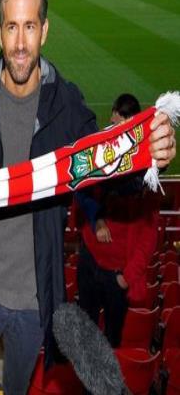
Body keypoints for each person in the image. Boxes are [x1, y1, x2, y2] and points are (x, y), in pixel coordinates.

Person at [0, 0, 176, 395]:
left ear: (44, 31)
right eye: (12, 27)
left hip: (35, 303)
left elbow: (107, 173)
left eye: (30, 26)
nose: (20, 43)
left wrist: (147, 159)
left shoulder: (68, 107)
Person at [76, 93, 161, 347]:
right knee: (86, 340)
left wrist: (126, 277)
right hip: (90, 262)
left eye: (123, 125)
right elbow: (79, 190)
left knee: (111, 343)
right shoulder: (99, 151)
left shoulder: (146, 171)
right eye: (114, 123)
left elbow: (149, 235)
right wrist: (97, 219)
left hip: (116, 276)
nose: (115, 130)